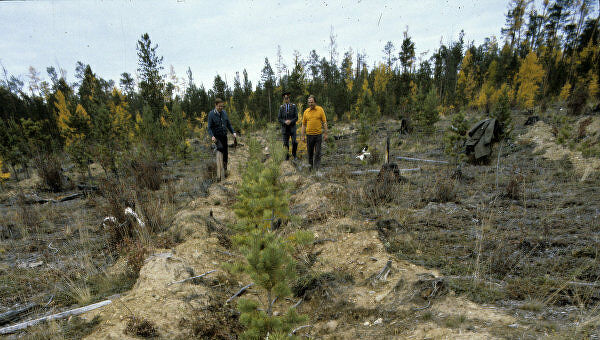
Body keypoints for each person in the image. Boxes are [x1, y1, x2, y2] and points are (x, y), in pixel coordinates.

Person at [207, 98, 237, 175]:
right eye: (219, 106)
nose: (221, 108)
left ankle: (225, 169)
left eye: (222, 106)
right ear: (216, 105)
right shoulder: (211, 114)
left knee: (226, 153)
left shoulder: (224, 113)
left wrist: (233, 132)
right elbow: (209, 128)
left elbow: (228, 124)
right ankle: (219, 172)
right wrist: (212, 136)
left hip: (224, 136)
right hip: (217, 137)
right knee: (220, 148)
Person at [301, 95, 327, 171]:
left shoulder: (320, 110)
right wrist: (302, 136)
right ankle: (310, 170)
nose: (310, 104)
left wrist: (325, 134)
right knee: (310, 154)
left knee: (318, 153)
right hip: (309, 136)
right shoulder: (306, 112)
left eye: (312, 102)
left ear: (315, 102)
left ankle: (316, 170)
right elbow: (303, 124)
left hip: (318, 135)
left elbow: (324, 122)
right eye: (309, 102)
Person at [277, 91, 298, 160]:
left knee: (294, 142)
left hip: (292, 127)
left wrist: (291, 121)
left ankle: (294, 155)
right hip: (285, 128)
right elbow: (279, 118)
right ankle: (287, 157)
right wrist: (284, 122)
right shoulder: (281, 107)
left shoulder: (294, 106)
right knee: (285, 144)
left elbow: (296, 117)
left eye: (287, 98)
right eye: (285, 98)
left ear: (289, 98)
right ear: (283, 99)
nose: (286, 99)